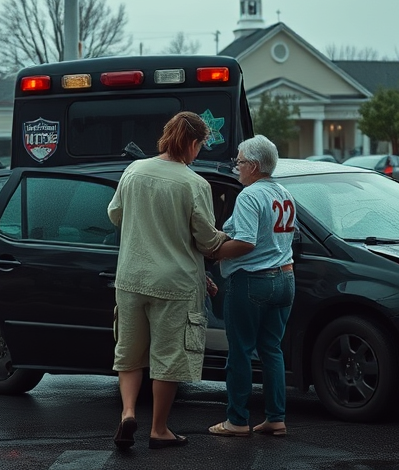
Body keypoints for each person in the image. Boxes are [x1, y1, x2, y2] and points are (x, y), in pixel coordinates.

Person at [107, 111, 227, 450]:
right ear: (191, 143)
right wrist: (229, 239)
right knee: (168, 358)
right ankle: (159, 429)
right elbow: (206, 240)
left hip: (131, 279)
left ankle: (128, 412)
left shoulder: (134, 171)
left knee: (129, 354)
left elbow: (115, 214)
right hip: (175, 285)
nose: (200, 151)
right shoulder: (194, 184)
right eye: (201, 145)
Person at [207, 134, 296, 438]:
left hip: (253, 281)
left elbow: (245, 242)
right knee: (271, 349)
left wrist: (215, 252)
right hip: (285, 277)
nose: (237, 166)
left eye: (241, 161)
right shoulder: (283, 192)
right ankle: (276, 418)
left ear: (255, 166)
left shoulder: (249, 196)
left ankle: (236, 420)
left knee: (241, 351)